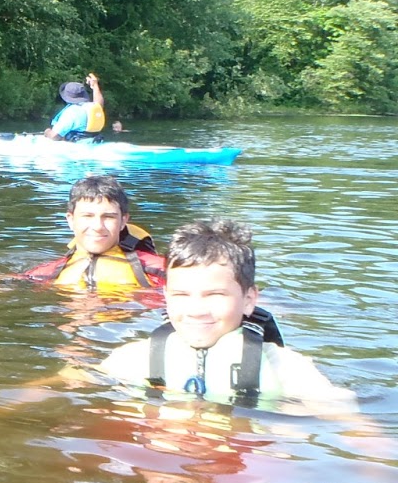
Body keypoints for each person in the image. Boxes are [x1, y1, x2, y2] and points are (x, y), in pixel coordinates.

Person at [96, 220, 356, 413]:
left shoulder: (285, 369)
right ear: (166, 295)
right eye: (182, 294)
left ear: (249, 299)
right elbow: (78, 381)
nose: (196, 310)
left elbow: (351, 423)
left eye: (215, 294)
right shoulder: (133, 359)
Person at [20, 174, 166, 293]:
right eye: (87, 216)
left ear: (123, 221)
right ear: (71, 220)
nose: (97, 226)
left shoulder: (158, 269)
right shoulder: (46, 273)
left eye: (108, 217)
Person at [44, 72, 113, 141]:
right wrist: (95, 86)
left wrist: (47, 132)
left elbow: (54, 137)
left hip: (76, 147)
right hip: (95, 143)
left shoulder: (71, 112)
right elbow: (99, 103)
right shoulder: (94, 107)